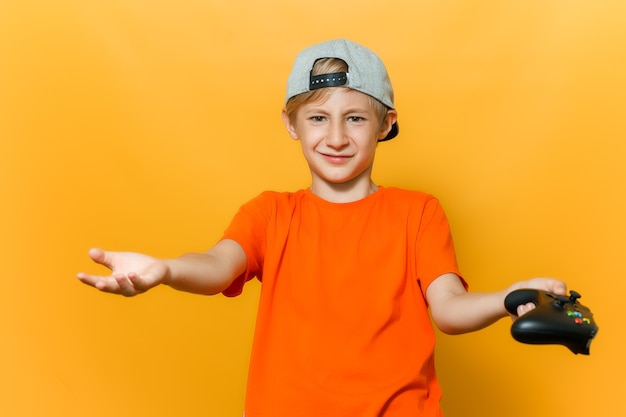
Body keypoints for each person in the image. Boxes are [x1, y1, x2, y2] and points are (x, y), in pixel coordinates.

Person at [77, 39, 567, 417]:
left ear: (385, 123)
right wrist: (164, 269)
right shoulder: (269, 213)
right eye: (317, 117)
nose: (335, 137)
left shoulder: (419, 212)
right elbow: (216, 265)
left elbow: (451, 308)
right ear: (292, 124)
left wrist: (509, 297)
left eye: (355, 118)